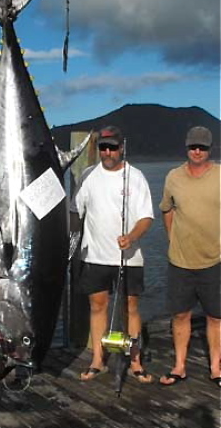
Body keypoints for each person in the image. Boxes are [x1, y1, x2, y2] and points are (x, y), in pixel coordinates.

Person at [70, 126, 154, 383]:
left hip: (129, 257)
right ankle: (98, 359)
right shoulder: (87, 175)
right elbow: (76, 211)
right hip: (94, 256)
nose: (107, 152)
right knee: (98, 307)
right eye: (103, 147)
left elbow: (146, 217)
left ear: (122, 148)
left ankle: (136, 360)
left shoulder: (136, 176)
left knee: (131, 308)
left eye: (112, 147)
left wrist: (132, 237)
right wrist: (70, 242)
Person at [159, 126, 220, 387]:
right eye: (193, 146)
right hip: (180, 262)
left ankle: (217, 368)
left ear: (210, 149)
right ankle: (180, 366)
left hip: (215, 260)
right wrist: (173, 239)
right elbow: (167, 209)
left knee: (216, 317)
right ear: (186, 147)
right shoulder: (173, 177)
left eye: (202, 147)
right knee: (180, 315)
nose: (197, 151)